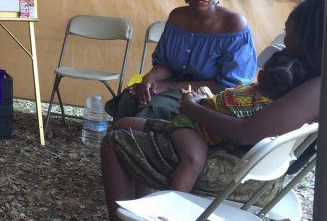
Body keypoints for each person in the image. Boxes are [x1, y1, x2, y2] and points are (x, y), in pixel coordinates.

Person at [76, 0, 325, 221]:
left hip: (234, 166)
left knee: (115, 143)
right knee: (128, 125)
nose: (284, 37)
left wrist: (191, 107)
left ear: (310, 36)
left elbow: (245, 132)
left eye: (290, 31)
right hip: (239, 155)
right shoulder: (307, 75)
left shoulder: (315, 87)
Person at [120, 50, 305, 193]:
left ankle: (166, 205)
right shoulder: (267, 108)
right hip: (194, 127)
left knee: (133, 126)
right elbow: (234, 129)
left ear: (261, 75)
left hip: (198, 122)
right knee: (193, 161)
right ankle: (172, 209)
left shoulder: (254, 93)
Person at [109, 0, 257, 122]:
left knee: (155, 107)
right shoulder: (177, 17)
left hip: (209, 96)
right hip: (173, 85)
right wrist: (148, 80)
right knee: (129, 97)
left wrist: (166, 87)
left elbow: (230, 85)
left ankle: (136, 146)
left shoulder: (234, 25)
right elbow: (166, 64)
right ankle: (115, 145)